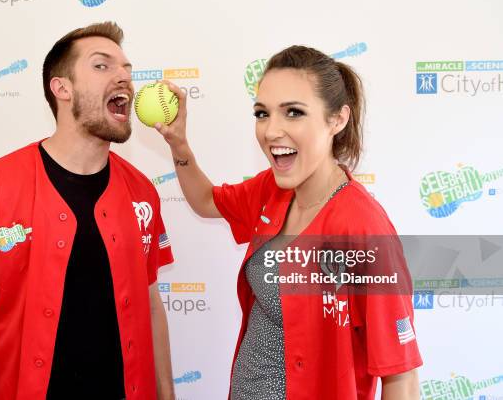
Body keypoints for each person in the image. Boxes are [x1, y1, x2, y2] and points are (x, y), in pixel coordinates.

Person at [156, 45, 422, 399]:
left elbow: (401, 377)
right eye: (262, 113)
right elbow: (206, 201)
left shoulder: (364, 228)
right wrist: (178, 144)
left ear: (337, 120)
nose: (270, 131)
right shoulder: (272, 188)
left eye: (293, 112)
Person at [0, 22, 175, 400]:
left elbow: (151, 306)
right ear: (62, 88)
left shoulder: (142, 191)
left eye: (127, 68)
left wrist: (166, 393)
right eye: (102, 66)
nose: (124, 76)